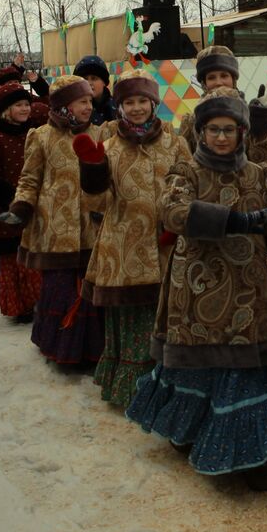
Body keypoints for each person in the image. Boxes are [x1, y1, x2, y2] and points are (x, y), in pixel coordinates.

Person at [124, 86, 267, 490]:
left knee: (247, 368)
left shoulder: (259, 174)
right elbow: (172, 212)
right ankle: (193, 428)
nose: (222, 137)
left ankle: (252, 456)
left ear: (242, 133)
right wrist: (234, 221)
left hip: (250, 289)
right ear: (202, 132)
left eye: (229, 129)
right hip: (198, 286)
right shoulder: (186, 171)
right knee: (203, 366)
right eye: (213, 129)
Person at [74, 70, 189, 407]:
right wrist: (93, 172)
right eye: (129, 102)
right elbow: (94, 204)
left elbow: (188, 185)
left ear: (154, 104)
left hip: (168, 245)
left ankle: (166, 387)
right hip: (124, 249)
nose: (137, 108)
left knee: (166, 316)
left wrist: (179, 220)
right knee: (132, 317)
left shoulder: (175, 143)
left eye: (143, 101)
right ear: (120, 106)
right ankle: (132, 391)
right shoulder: (109, 147)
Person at [2, 75, 108, 366]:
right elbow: (30, 177)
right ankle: (58, 347)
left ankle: (90, 350)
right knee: (60, 288)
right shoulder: (42, 136)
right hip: (54, 228)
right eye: (81, 101)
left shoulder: (102, 135)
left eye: (89, 101)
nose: (88, 106)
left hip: (92, 225)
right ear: (64, 105)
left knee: (88, 288)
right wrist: (21, 206)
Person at [0, 83, 41, 322]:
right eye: (18, 105)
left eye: (26, 104)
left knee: (32, 257)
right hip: (5, 206)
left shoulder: (34, 134)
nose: (25, 109)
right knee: (13, 260)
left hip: (33, 204)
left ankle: (35, 302)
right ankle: (18, 306)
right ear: (5, 110)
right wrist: (14, 200)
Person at [176, 45, 267, 166]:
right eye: (211, 77)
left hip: (245, 183)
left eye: (224, 76)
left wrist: (261, 130)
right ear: (204, 83)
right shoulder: (191, 121)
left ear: (233, 79)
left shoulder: (250, 115)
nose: (219, 82)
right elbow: (182, 164)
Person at [72, 55, 117, 125]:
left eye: (94, 78)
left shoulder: (117, 106)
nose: (89, 83)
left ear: (104, 82)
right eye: (85, 79)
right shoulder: (73, 108)